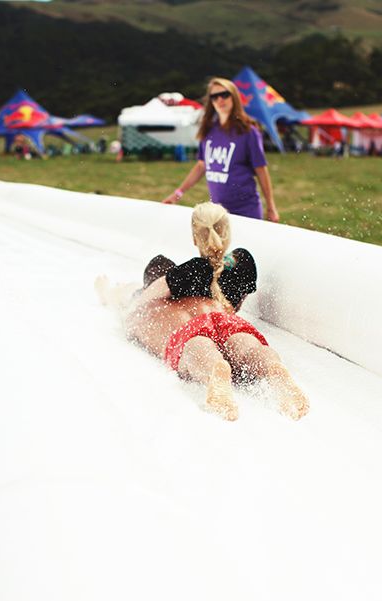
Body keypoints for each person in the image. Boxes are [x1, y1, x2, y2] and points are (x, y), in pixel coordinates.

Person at [96, 203, 308, 421]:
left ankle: (214, 370)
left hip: (190, 327)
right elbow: (233, 303)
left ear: (195, 237)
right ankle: (272, 367)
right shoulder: (237, 265)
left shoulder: (177, 279)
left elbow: (138, 304)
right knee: (246, 347)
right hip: (225, 320)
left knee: (198, 347)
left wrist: (124, 307)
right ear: (227, 233)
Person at [162, 78, 280, 223]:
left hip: (246, 210)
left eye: (225, 94)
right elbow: (201, 166)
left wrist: (271, 206)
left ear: (234, 97)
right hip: (217, 213)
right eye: (214, 96)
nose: (220, 99)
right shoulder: (208, 130)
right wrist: (177, 194)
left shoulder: (248, 131)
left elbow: (261, 169)